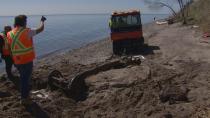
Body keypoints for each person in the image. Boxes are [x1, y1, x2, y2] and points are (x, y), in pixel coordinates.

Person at [7, 15, 46, 105]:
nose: (26, 23)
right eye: (26, 21)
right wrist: (42, 21)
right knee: (25, 79)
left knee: (23, 78)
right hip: (26, 60)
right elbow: (41, 29)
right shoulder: (27, 31)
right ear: (23, 22)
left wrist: (13, 60)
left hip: (17, 61)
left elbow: (9, 49)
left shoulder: (10, 33)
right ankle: (24, 99)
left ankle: (25, 95)